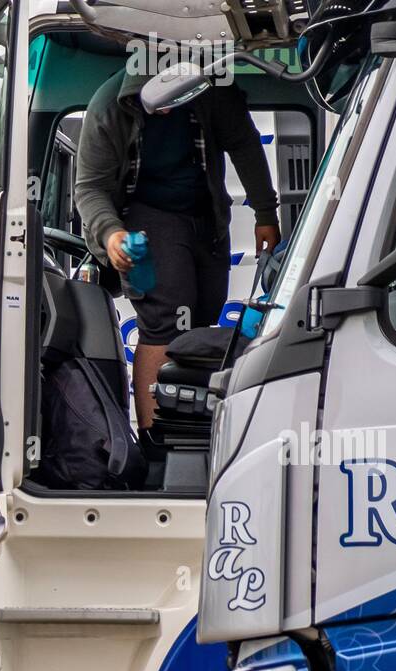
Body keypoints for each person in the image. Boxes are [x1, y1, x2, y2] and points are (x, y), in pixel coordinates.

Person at [75, 67, 281, 427]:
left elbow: (244, 143)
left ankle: (195, 431)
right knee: (165, 320)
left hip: (206, 214)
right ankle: (157, 440)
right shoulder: (109, 107)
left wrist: (265, 211)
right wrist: (111, 234)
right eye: (158, 103)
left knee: (201, 321)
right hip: (146, 213)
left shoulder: (214, 89)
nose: (167, 109)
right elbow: (89, 188)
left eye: (175, 99)